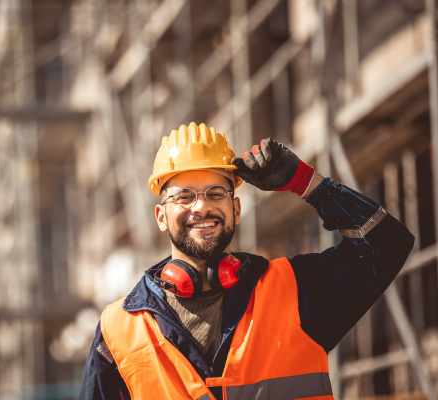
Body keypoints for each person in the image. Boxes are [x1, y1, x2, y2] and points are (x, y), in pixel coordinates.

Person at [80, 122, 414, 400]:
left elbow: (386, 244)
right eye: (183, 196)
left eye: (216, 193)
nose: (201, 207)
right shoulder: (118, 333)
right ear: (161, 217)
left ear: (236, 209)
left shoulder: (294, 292)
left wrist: (304, 181)